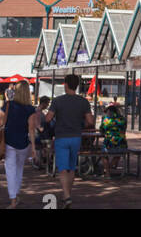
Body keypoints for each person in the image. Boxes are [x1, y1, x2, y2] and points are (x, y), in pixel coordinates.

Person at [45, 73, 95, 210]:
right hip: (76, 137)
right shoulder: (83, 101)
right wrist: (80, 124)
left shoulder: (57, 101)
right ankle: (67, 194)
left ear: (65, 84)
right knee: (71, 167)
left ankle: (66, 195)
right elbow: (90, 121)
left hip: (61, 137)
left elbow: (48, 119)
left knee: (62, 168)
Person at [0, 80, 36, 209]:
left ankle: (13, 199)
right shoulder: (31, 109)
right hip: (23, 142)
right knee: (19, 170)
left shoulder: (8, 105)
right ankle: (16, 194)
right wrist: (34, 148)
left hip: (9, 140)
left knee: (10, 170)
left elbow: (0, 123)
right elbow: (31, 129)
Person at [100, 100, 127, 176]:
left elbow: (101, 130)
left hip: (109, 145)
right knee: (118, 154)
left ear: (109, 111)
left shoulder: (106, 120)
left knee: (103, 154)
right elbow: (124, 131)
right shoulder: (123, 119)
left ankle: (107, 172)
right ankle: (110, 167)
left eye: (107, 112)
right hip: (122, 145)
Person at [32, 95, 52, 169]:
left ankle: (45, 157)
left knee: (49, 141)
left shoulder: (40, 112)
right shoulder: (38, 112)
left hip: (39, 134)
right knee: (49, 142)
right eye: (47, 104)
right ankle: (46, 158)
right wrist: (43, 129)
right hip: (38, 135)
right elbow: (38, 126)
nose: (47, 106)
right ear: (43, 103)